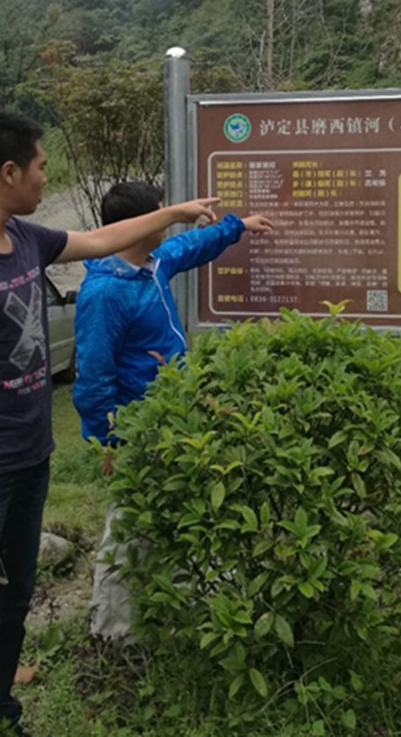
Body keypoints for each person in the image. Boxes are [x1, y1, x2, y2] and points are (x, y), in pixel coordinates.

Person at [0, 111, 219, 737]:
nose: (47, 177)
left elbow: (99, 241)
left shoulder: (22, 237)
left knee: (10, 602)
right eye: (42, 167)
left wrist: (177, 213)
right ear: (9, 171)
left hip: (29, 455)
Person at [71, 180, 273, 639]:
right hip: (135, 433)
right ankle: (114, 634)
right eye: (161, 212)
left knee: (179, 516)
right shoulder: (105, 293)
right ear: (142, 223)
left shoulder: (150, 265)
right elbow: (94, 378)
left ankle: (177, 618)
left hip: (173, 422)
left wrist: (238, 226)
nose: (168, 220)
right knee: (129, 530)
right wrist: (109, 442)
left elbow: (188, 246)